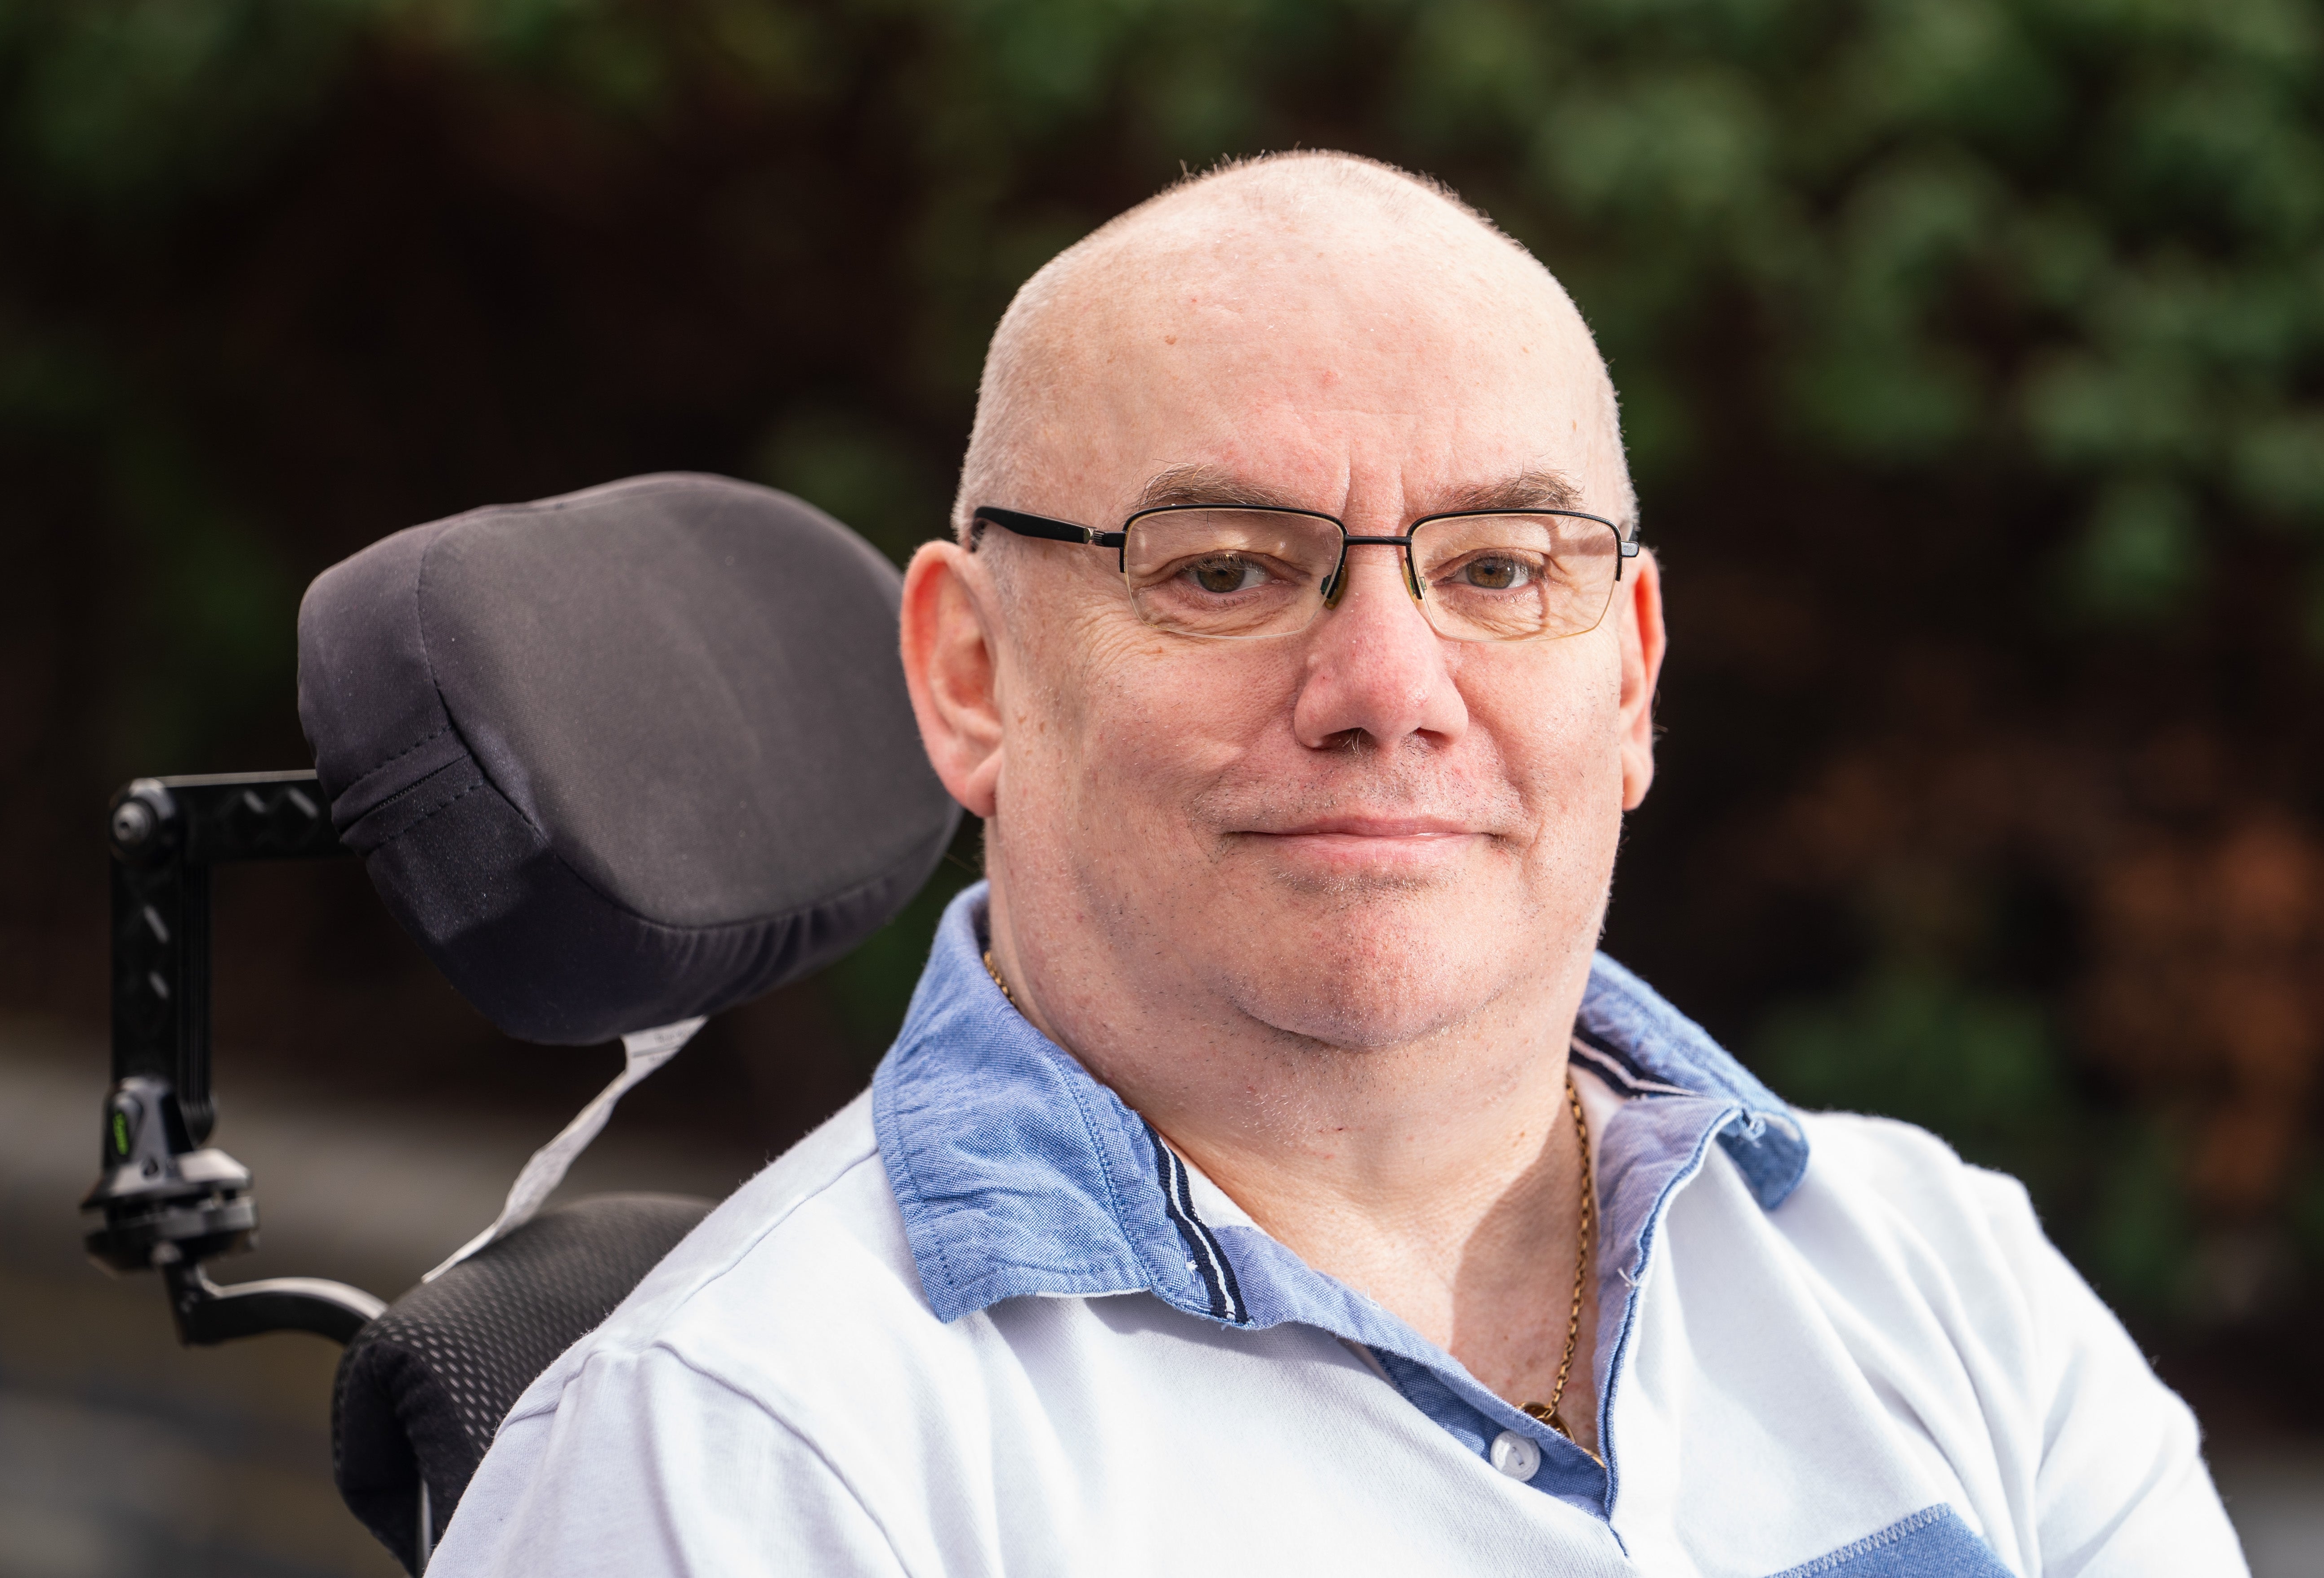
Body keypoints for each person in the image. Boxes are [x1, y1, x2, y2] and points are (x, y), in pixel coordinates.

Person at [429, 152, 2244, 1576]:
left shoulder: (1939, 1272)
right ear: (972, 676)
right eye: (1222, 565)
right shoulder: (751, 1455)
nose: (1389, 686)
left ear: (1629, 672)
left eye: (1499, 567)